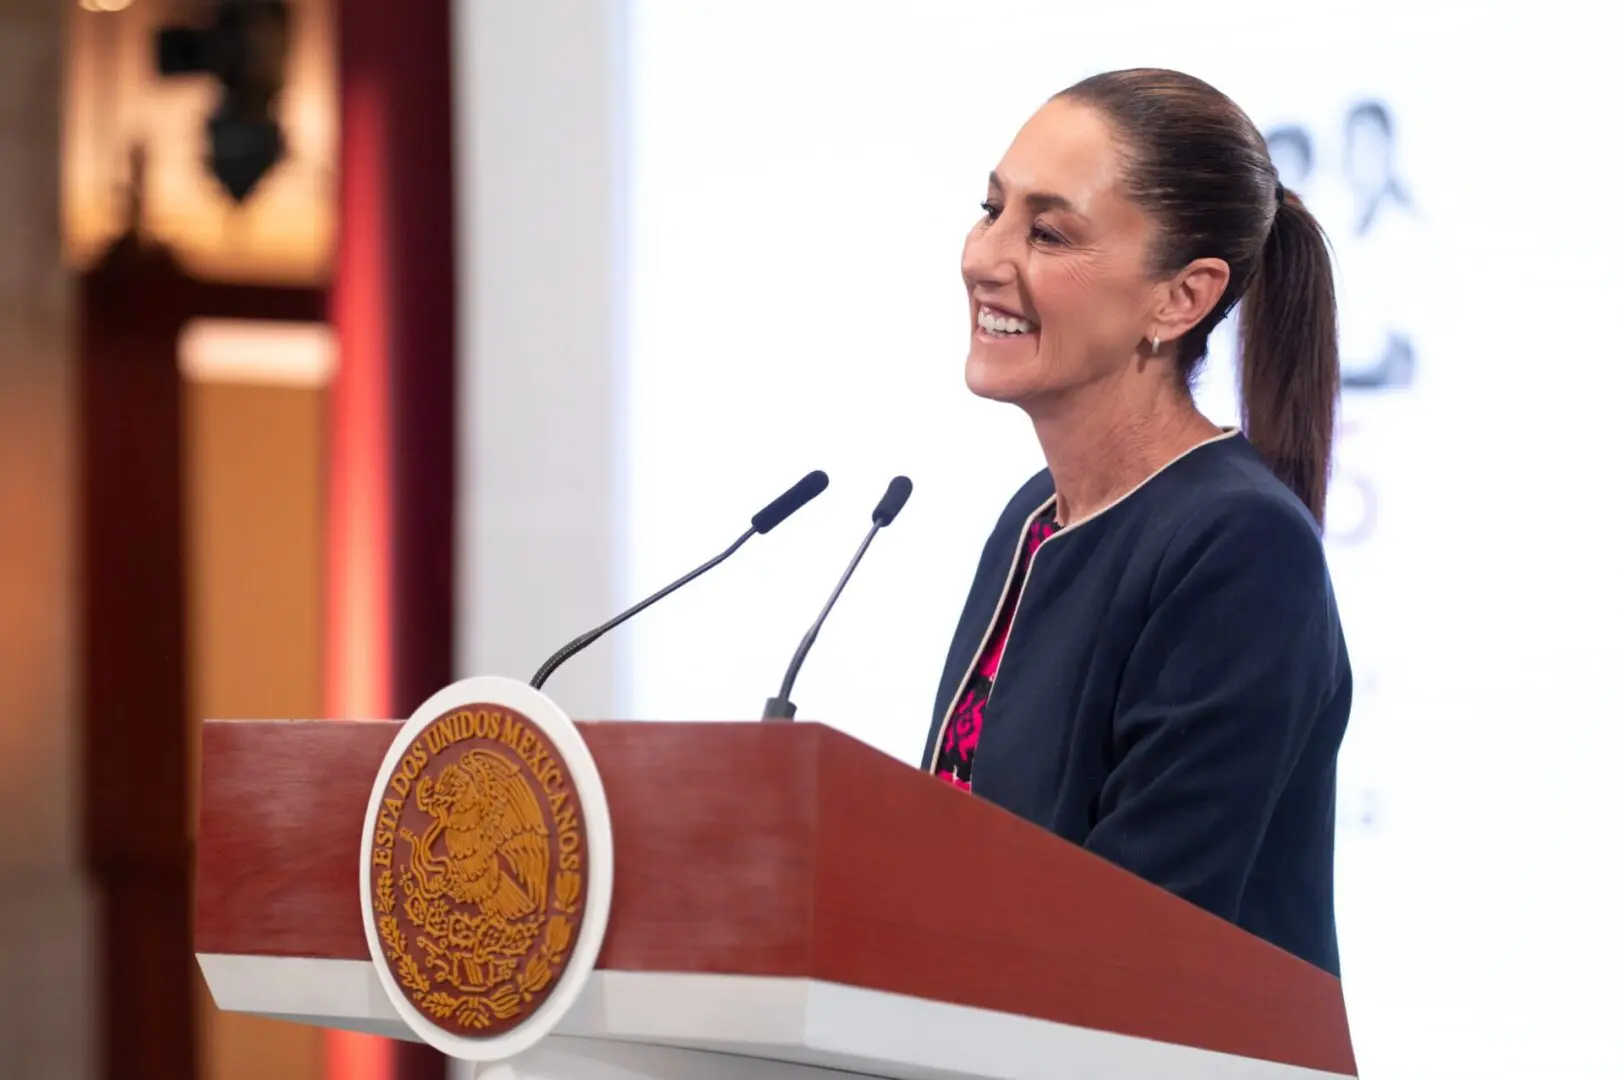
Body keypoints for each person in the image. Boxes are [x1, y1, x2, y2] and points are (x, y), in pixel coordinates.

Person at [922, 68, 1352, 976]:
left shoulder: (1240, 548)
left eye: (1046, 231)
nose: (983, 258)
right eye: (989, 210)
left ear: (1180, 299)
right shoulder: (1032, 523)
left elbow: (1138, 937)